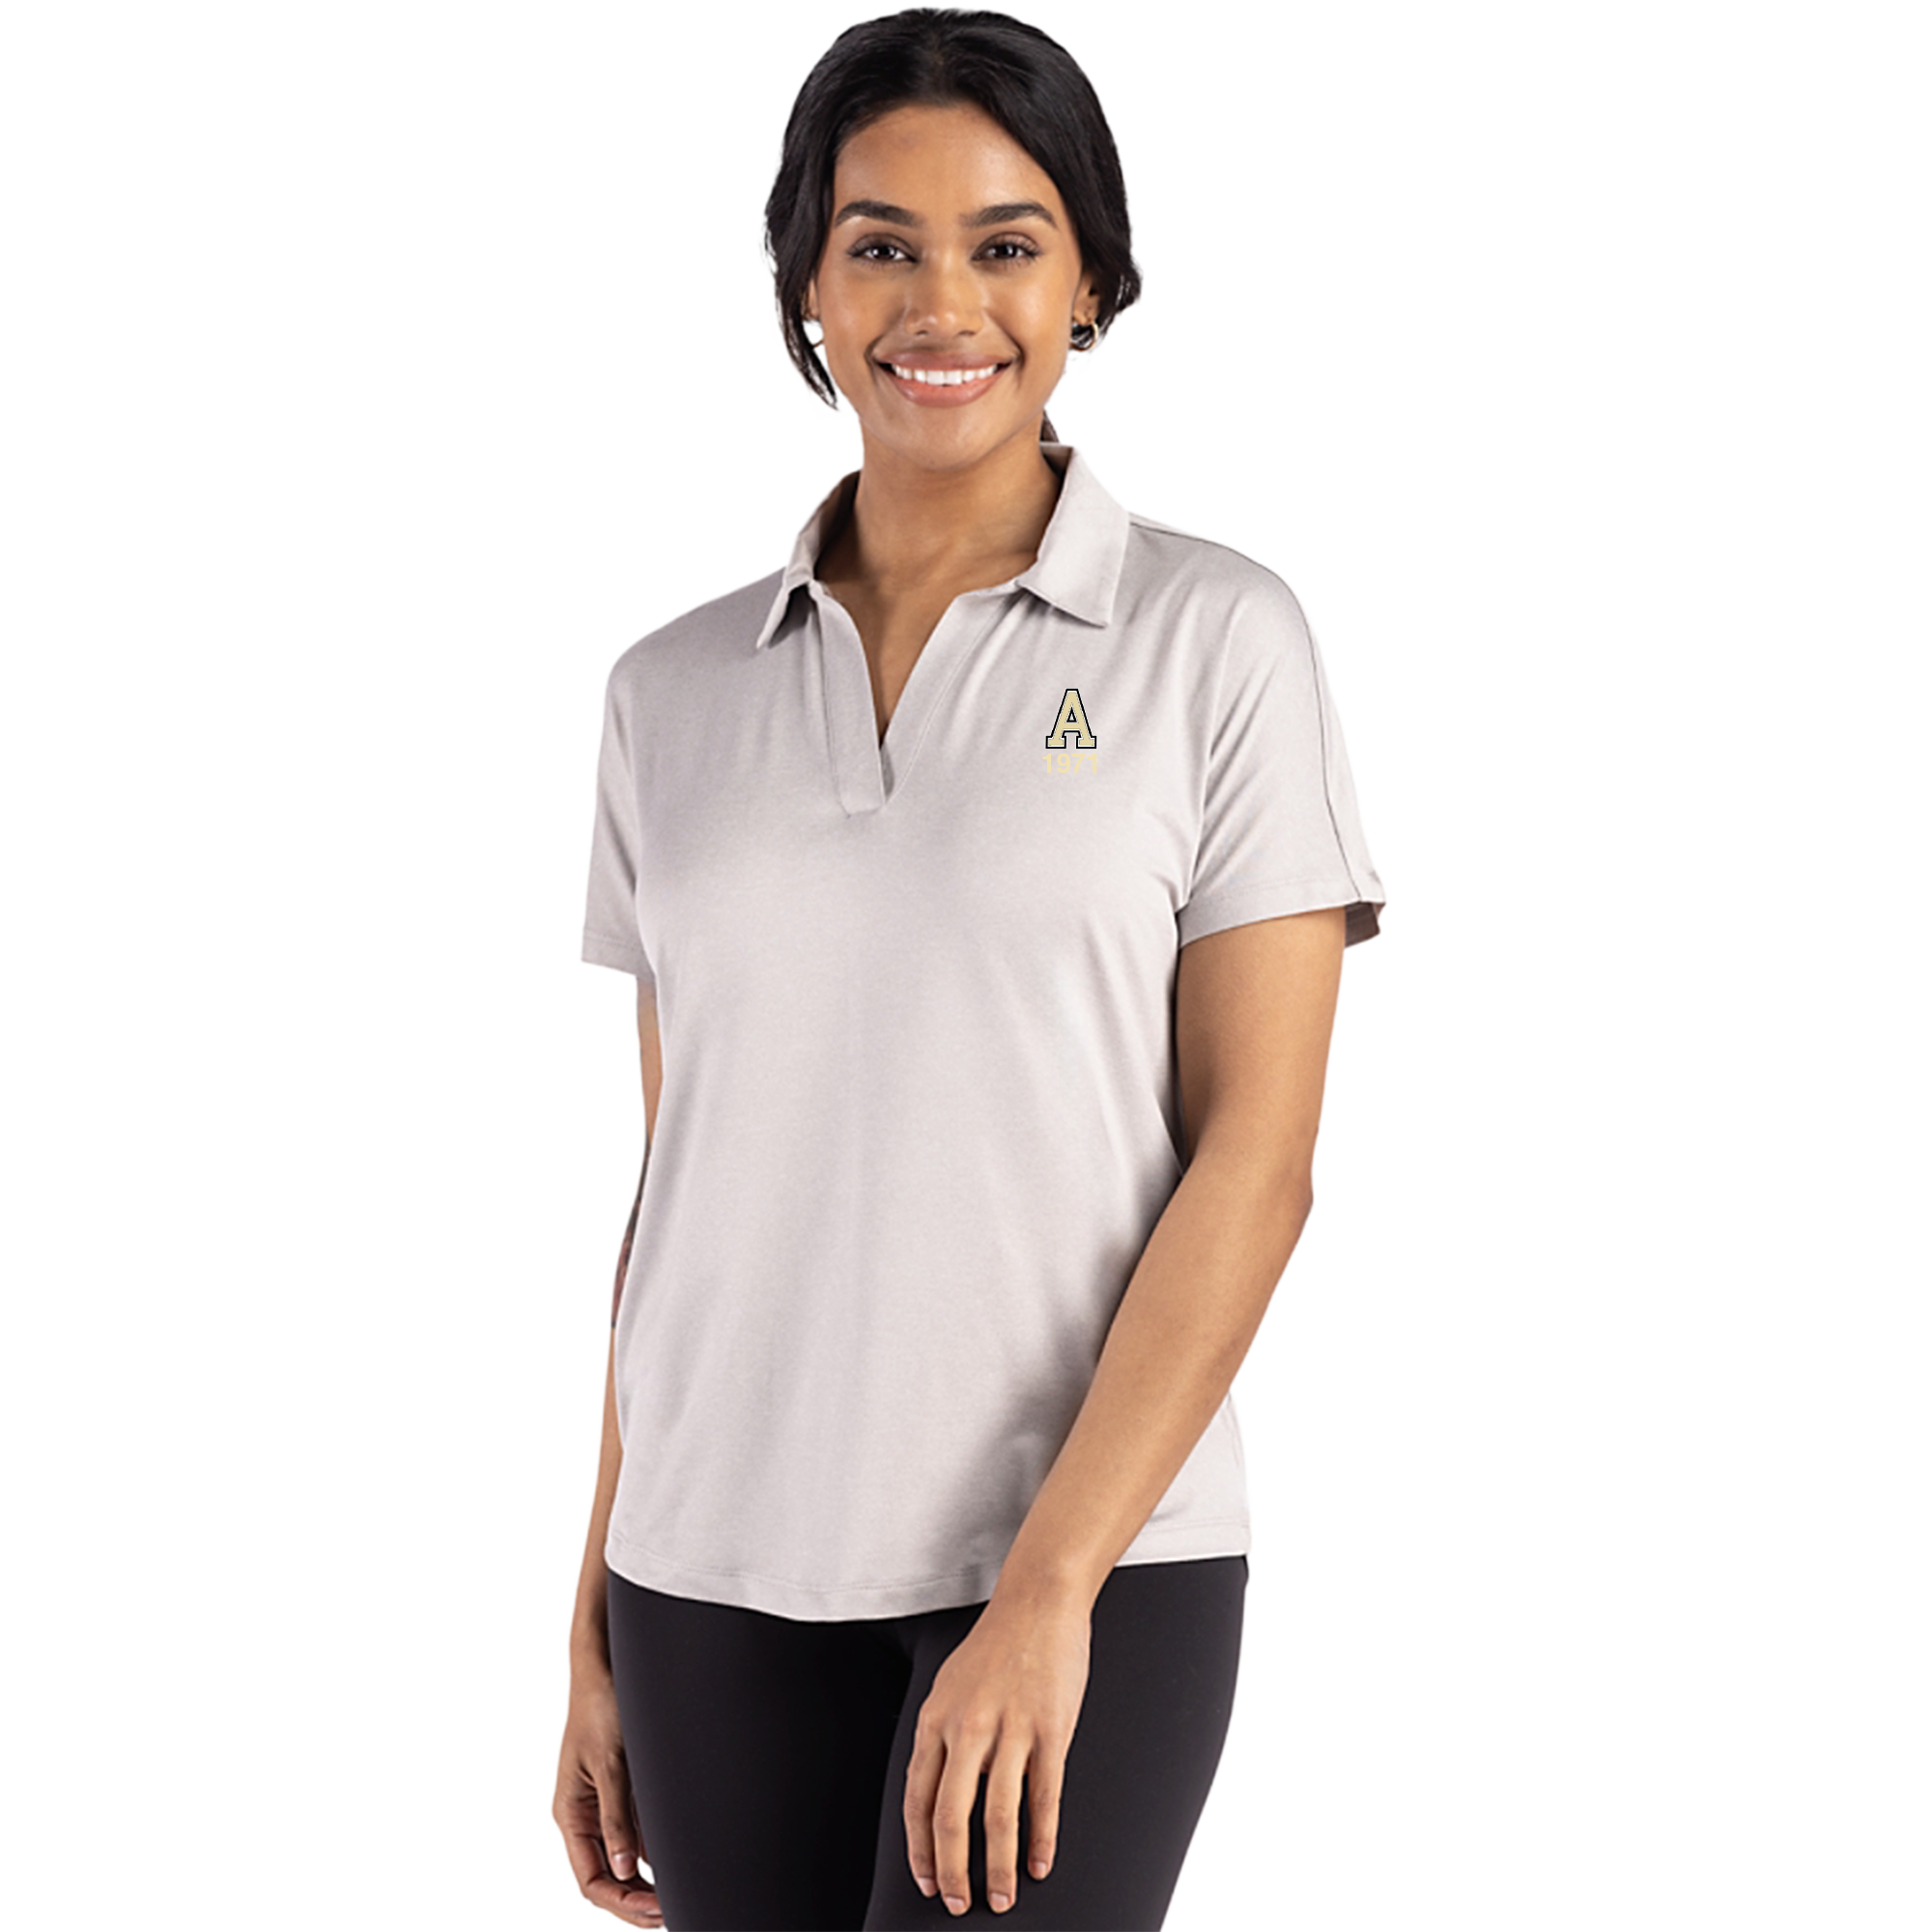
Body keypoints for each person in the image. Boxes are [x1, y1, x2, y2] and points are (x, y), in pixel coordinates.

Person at [552, 9, 1388, 1928]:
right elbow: (678, 1192)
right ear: (805, 283)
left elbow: (1257, 1163)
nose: (943, 303)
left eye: (1006, 243)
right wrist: (592, 1602)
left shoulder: (1215, 641)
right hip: (709, 1577)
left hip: (1086, 1562)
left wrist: (1045, 1590)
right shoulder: (669, 693)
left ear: (1088, 279)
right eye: (881, 244)